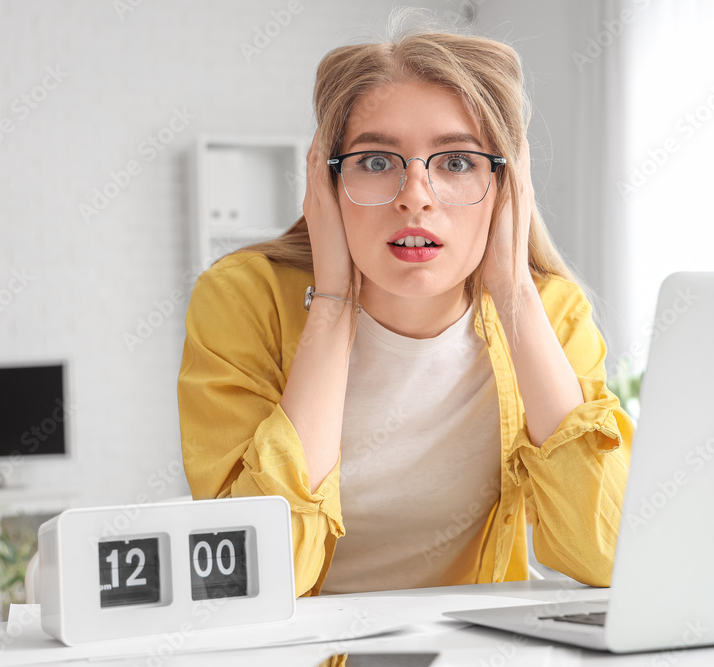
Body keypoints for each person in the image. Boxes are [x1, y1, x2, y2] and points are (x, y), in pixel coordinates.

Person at [177, 19, 634, 598]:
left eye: (457, 162)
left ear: (506, 185)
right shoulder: (243, 300)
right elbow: (254, 575)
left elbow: (610, 555)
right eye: (375, 162)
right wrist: (333, 305)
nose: (415, 197)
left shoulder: (551, 312)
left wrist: (515, 296)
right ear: (326, 181)